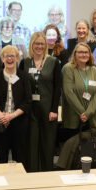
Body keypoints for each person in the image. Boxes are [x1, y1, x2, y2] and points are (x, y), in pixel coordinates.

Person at [20, 32, 62, 172]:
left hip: (47, 109)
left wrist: (54, 110)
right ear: (32, 44)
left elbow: (57, 88)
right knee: (31, 145)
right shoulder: (25, 62)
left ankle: (47, 174)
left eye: (42, 44)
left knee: (47, 144)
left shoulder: (53, 62)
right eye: (36, 43)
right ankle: (31, 175)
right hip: (30, 110)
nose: (39, 46)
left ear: (46, 46)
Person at [0, 45, 33, 169]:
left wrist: (11, 116)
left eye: (12, 56)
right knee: (1, 158)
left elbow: (28, 101)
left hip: (19, 122)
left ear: (17, 58)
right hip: (1, 123)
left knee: (20, 158)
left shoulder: (24, 77)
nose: (9, 59)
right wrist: (1, 115)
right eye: (6, 56)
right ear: (2, 59)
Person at [62, 43, 96, 132]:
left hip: (92, 115)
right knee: (73, 145)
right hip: (73, 115)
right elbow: (68, 92)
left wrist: (88, 113)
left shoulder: (94, 69)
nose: (83, 55)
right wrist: (83, 113)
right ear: (75, 54)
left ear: (89, 54)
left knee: (91, 145)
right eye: (80, 52)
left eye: (86, 52)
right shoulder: (68, 68)